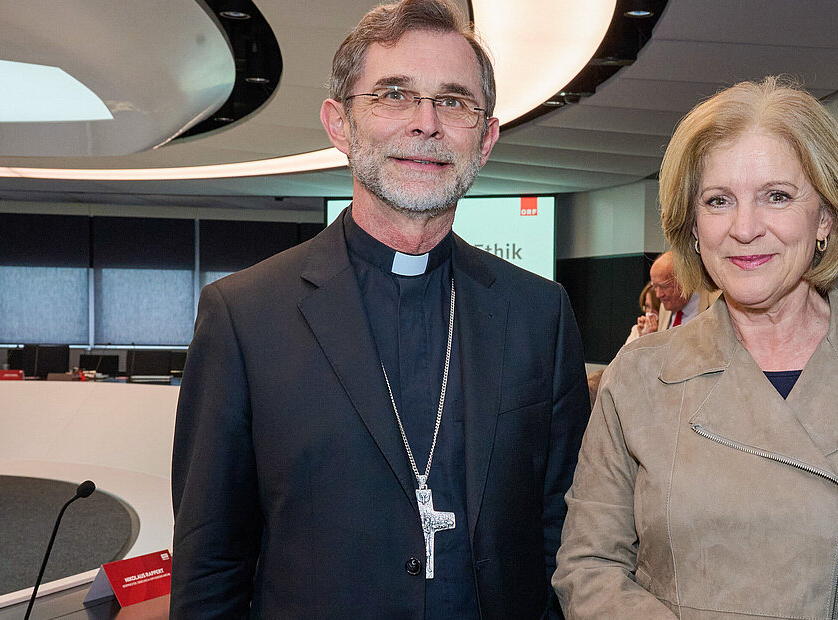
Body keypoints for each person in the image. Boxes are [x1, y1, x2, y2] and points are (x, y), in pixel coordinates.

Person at [170, 1, 592, 618]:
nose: (426, 123)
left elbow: (564, 527)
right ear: (339, 125)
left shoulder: (539, 313)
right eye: (394, 95)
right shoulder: (245, 316)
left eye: (453, 102)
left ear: (486, 138)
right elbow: (211, 561)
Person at [554, 77, 838, 619]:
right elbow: (588, 566)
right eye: (718, 200)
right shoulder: (640, 379)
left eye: (777, 196)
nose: (745, 229)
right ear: (694, 228)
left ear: (826, 218)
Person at [625, 251, 714, 344]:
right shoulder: (666, 307)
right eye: (655, 287)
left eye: (663, 287)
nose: (658, 295)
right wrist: (649, 340)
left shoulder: (714, 305)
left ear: (683, 281)